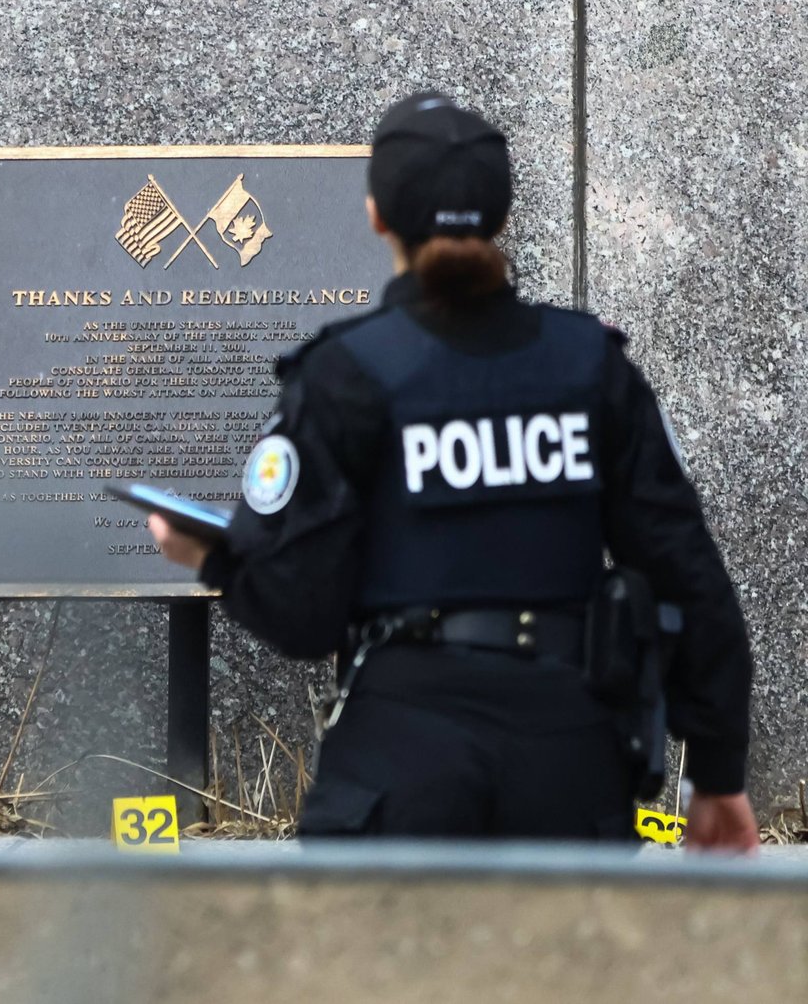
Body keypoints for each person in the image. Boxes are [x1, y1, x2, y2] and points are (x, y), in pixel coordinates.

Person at [151, 92, 756, 849]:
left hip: (402, 763)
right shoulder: (590, 367)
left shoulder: (345, 372)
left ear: (377, 215)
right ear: (503, 217)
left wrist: (209, 557)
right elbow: (686, 573)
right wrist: (720, 776)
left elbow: (303, 616)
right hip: (569, 765)